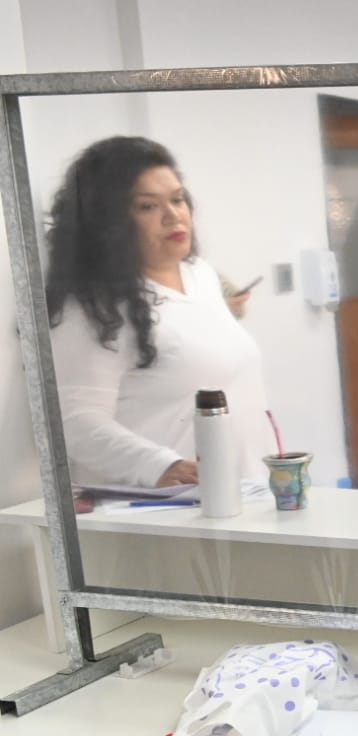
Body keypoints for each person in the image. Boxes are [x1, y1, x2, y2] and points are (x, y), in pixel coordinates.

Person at [46, 136, 273, 489]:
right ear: (109, 222)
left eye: (178, 199)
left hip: (245, 492)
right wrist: (157, 465)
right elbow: (72, 419)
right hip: (160, 511)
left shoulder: (201, 274)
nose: (173, 216)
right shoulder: (96, 306)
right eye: (148, 206)